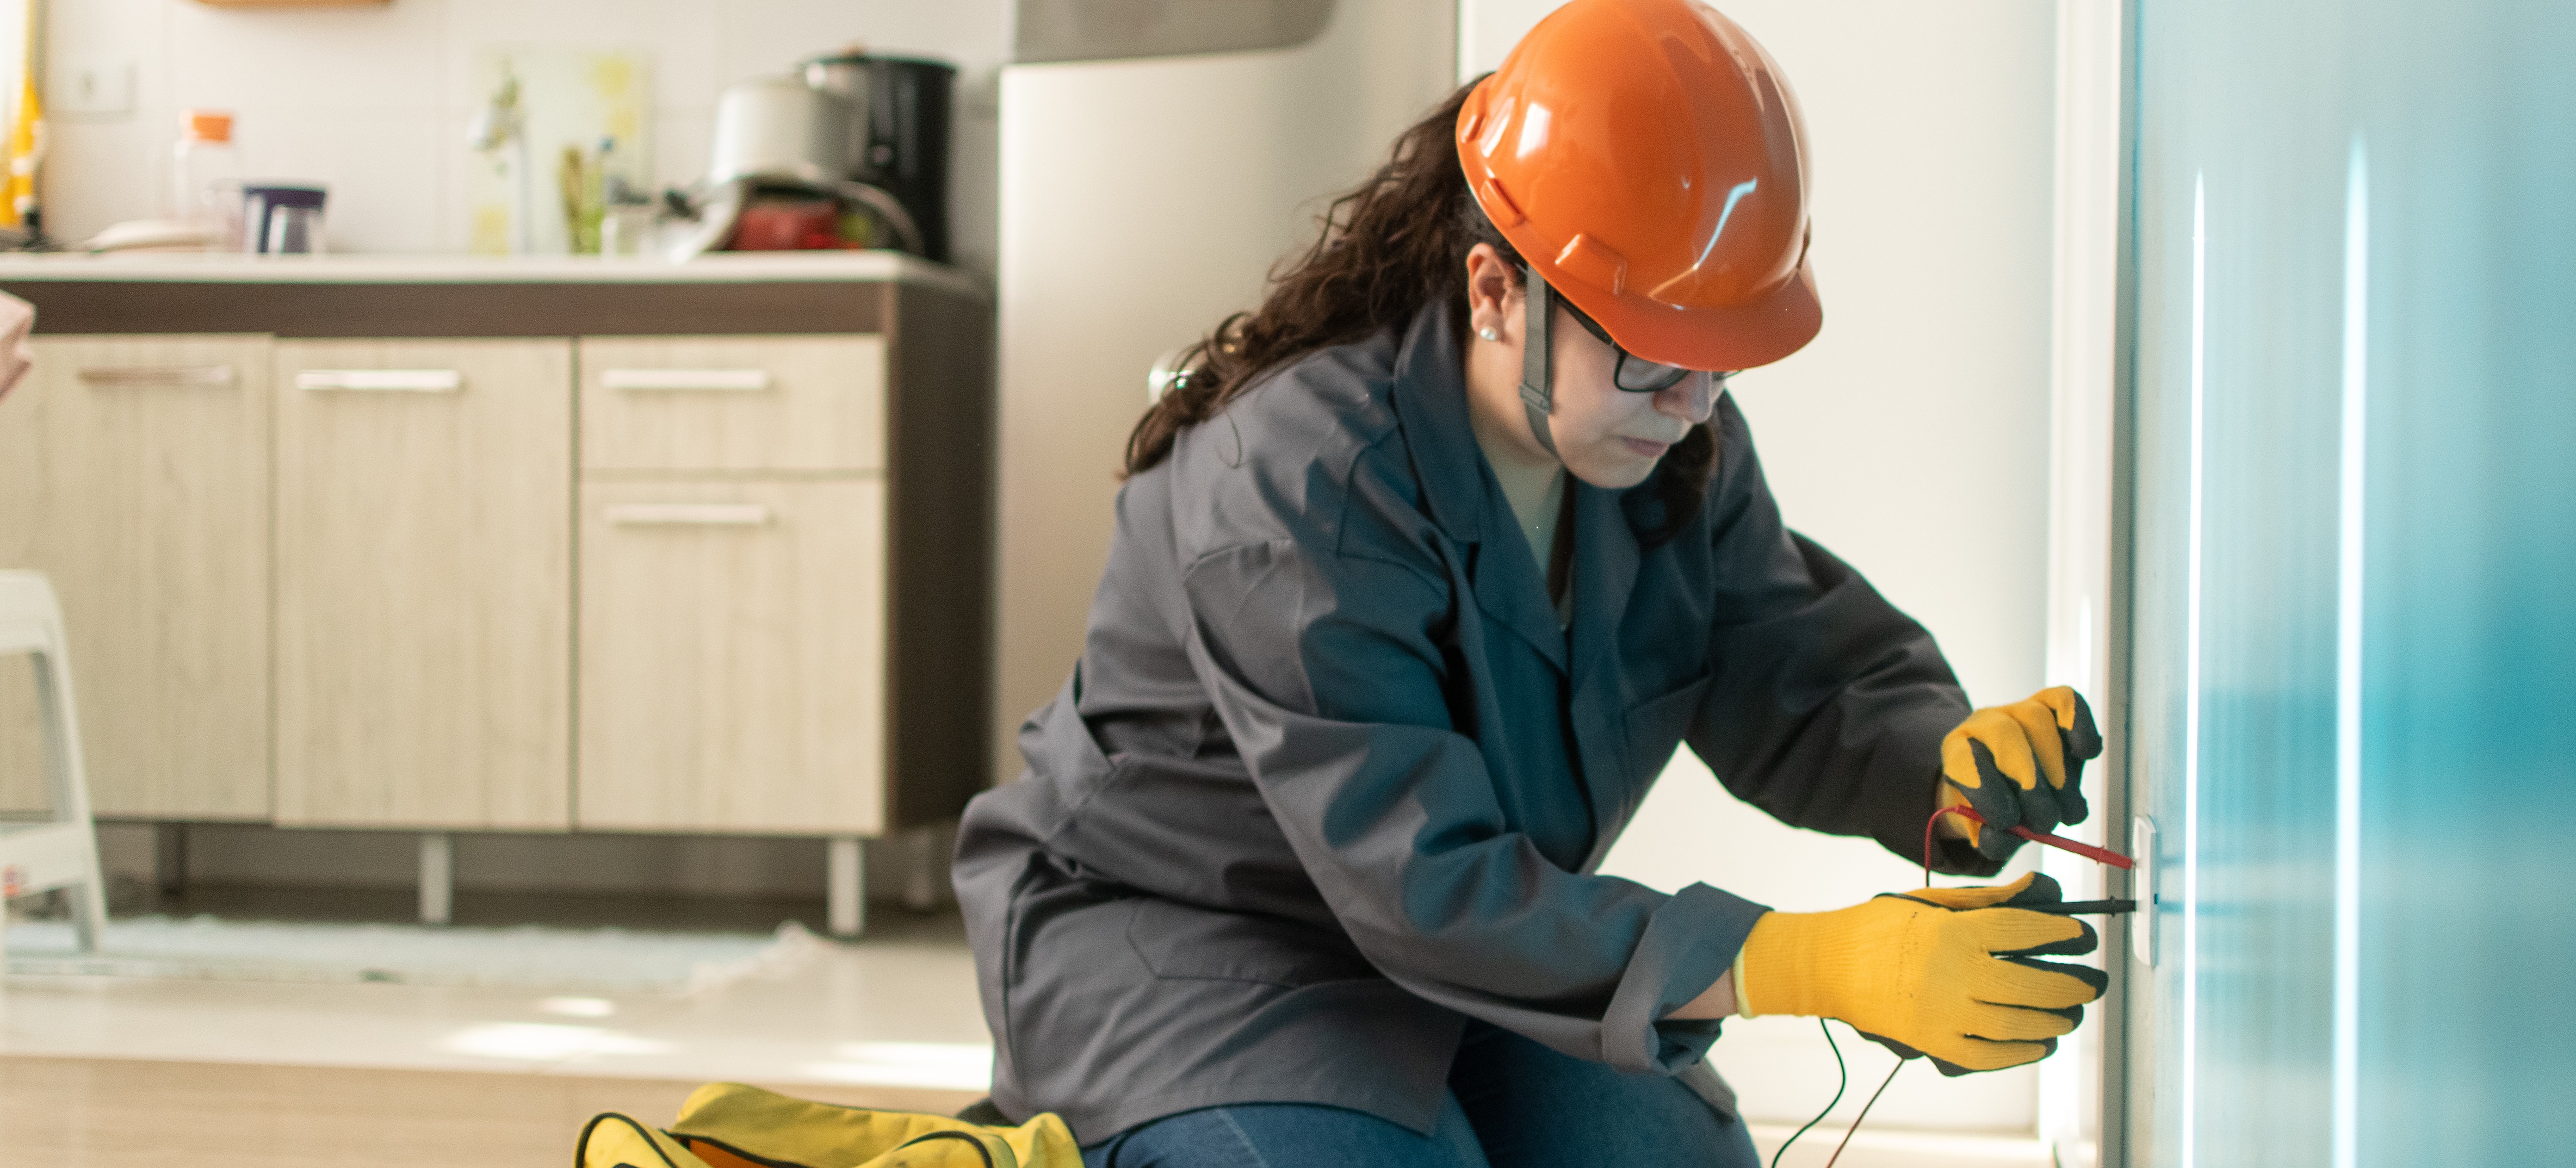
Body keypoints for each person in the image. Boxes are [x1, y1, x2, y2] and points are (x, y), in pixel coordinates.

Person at [954, 1, 2107, 1164]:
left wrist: (1944, 762)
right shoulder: (1298, 481)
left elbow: (1788, 656)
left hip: (1448, 954)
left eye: (1719, 359)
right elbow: (1420, 872)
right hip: (1183, 947)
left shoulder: (1665, 437)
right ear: (1496, 290)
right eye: (1652, 351)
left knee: (1670, 1156)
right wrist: (1796, 960)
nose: (1696, 405)